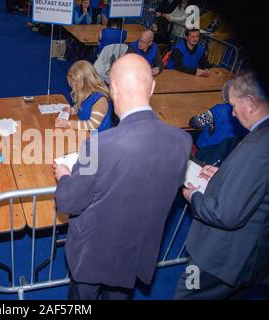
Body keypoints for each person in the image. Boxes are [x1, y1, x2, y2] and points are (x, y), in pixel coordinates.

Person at [53, 54, 192, 300]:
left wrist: (64, 175)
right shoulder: (182, 141)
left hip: (93, 255)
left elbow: (68, 202)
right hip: (134, 254)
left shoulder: (98, 146)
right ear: (152, 87)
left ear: (113, 88)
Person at [177, 70, 269, 300]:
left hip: (217, 259)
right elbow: (253, 184)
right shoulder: (259, 138)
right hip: (246, 257)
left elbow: (225, 214)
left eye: (234, 105)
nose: (233, 113)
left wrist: (192, 195)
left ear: (249, 102)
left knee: (185, 294)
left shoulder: (255, 148)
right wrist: (221, 175)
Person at [189, 80, 248, 164]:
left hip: (205, 149)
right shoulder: (247, 116)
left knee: (190, 132)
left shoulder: (219, 109)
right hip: (226, 153)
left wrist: (192, 120)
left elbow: (195, 123)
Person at [55, 60, 115, 132]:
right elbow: (81, 106)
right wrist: (71, 110)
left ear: (85, 83)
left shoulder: (100, 100)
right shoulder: (86, 92)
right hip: (86, 132)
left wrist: (68, 123)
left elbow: (93, 125)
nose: (74, 89)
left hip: (99, 138)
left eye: (75, 86)